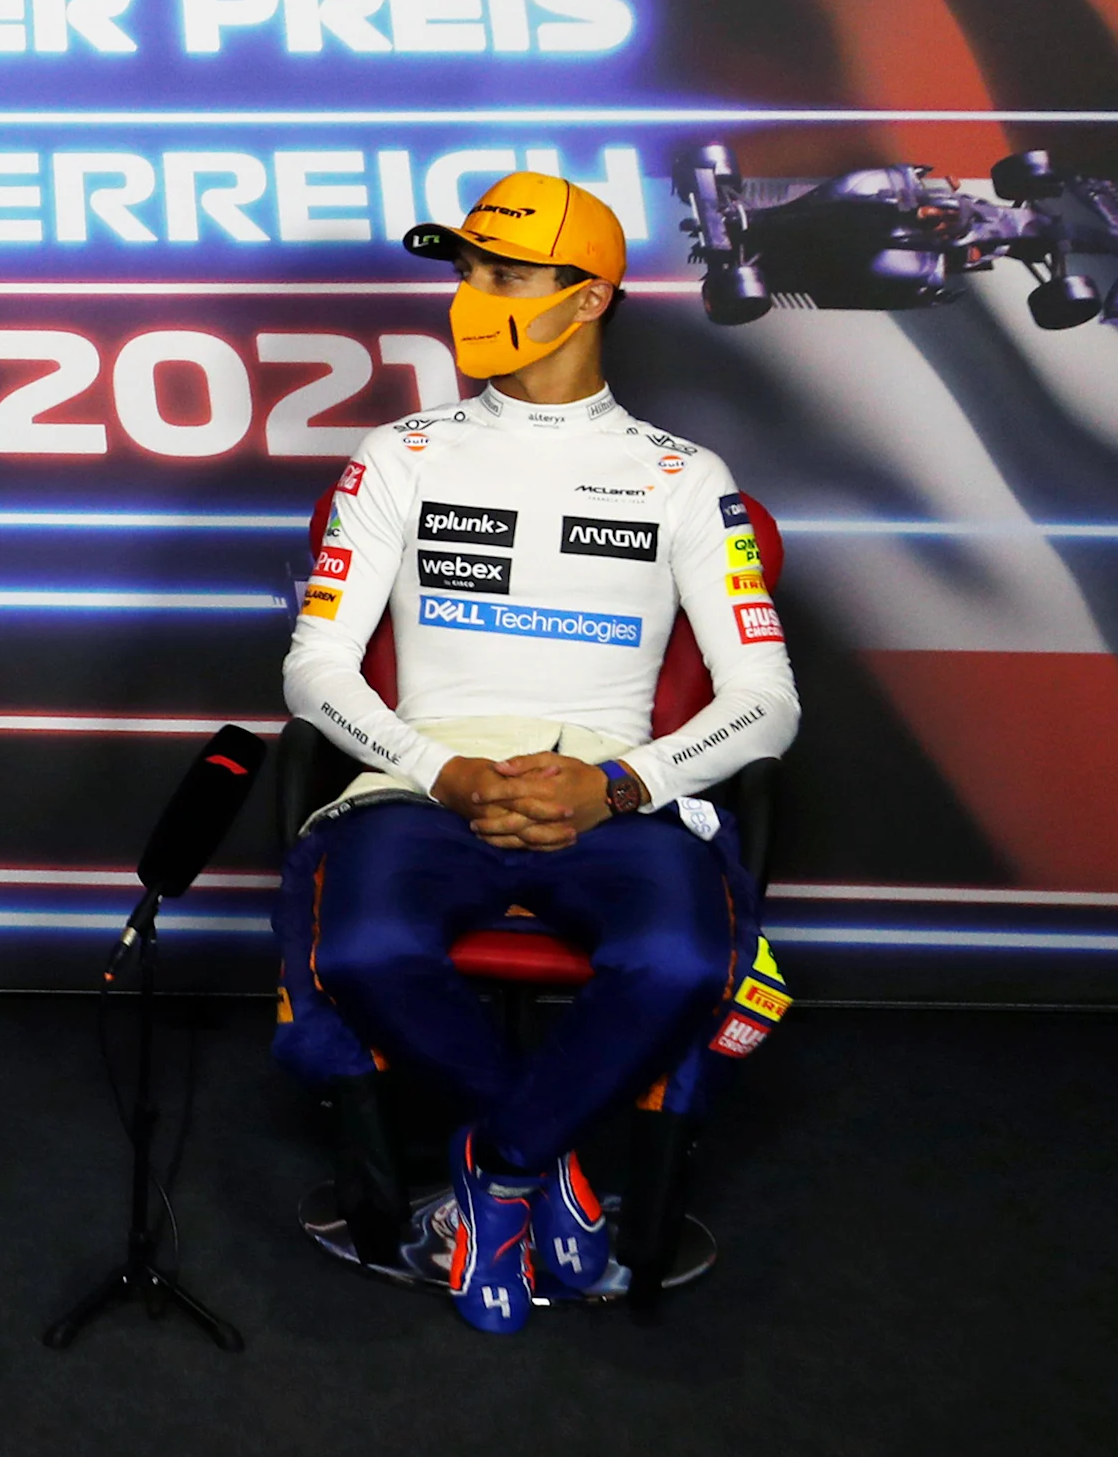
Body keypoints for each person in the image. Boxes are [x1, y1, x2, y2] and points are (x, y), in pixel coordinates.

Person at [278, 171, 800, 1334]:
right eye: (463, 270)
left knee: (673, 961)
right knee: (358, 947)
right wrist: (447, 773)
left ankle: (497, 1164)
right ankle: (545, 1166)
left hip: (612, 796)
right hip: (421, 784)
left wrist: (616, 785)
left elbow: (764, 701)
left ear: (590, 297)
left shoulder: (682, 479)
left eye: (503, 273)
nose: (470, 295)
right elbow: (313, 672)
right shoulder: (397, 457)